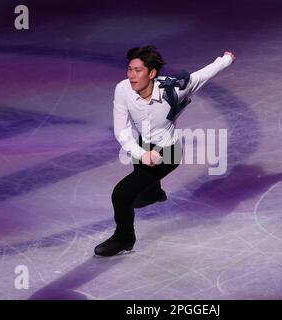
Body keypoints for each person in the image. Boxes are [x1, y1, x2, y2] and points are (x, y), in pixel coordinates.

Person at [94, 45, 236, 256]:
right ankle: (154, 192)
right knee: (144, 183)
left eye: (138, 70)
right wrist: (143, 154)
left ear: (152, 73)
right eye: (129, 69)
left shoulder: (174, 89)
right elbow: (122, 131)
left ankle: (124, 238)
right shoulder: (123, 90)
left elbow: (201, 76)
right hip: (142, 146)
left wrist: (226, 60)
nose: (132, 76)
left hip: (168, 153)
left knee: (122, 195)